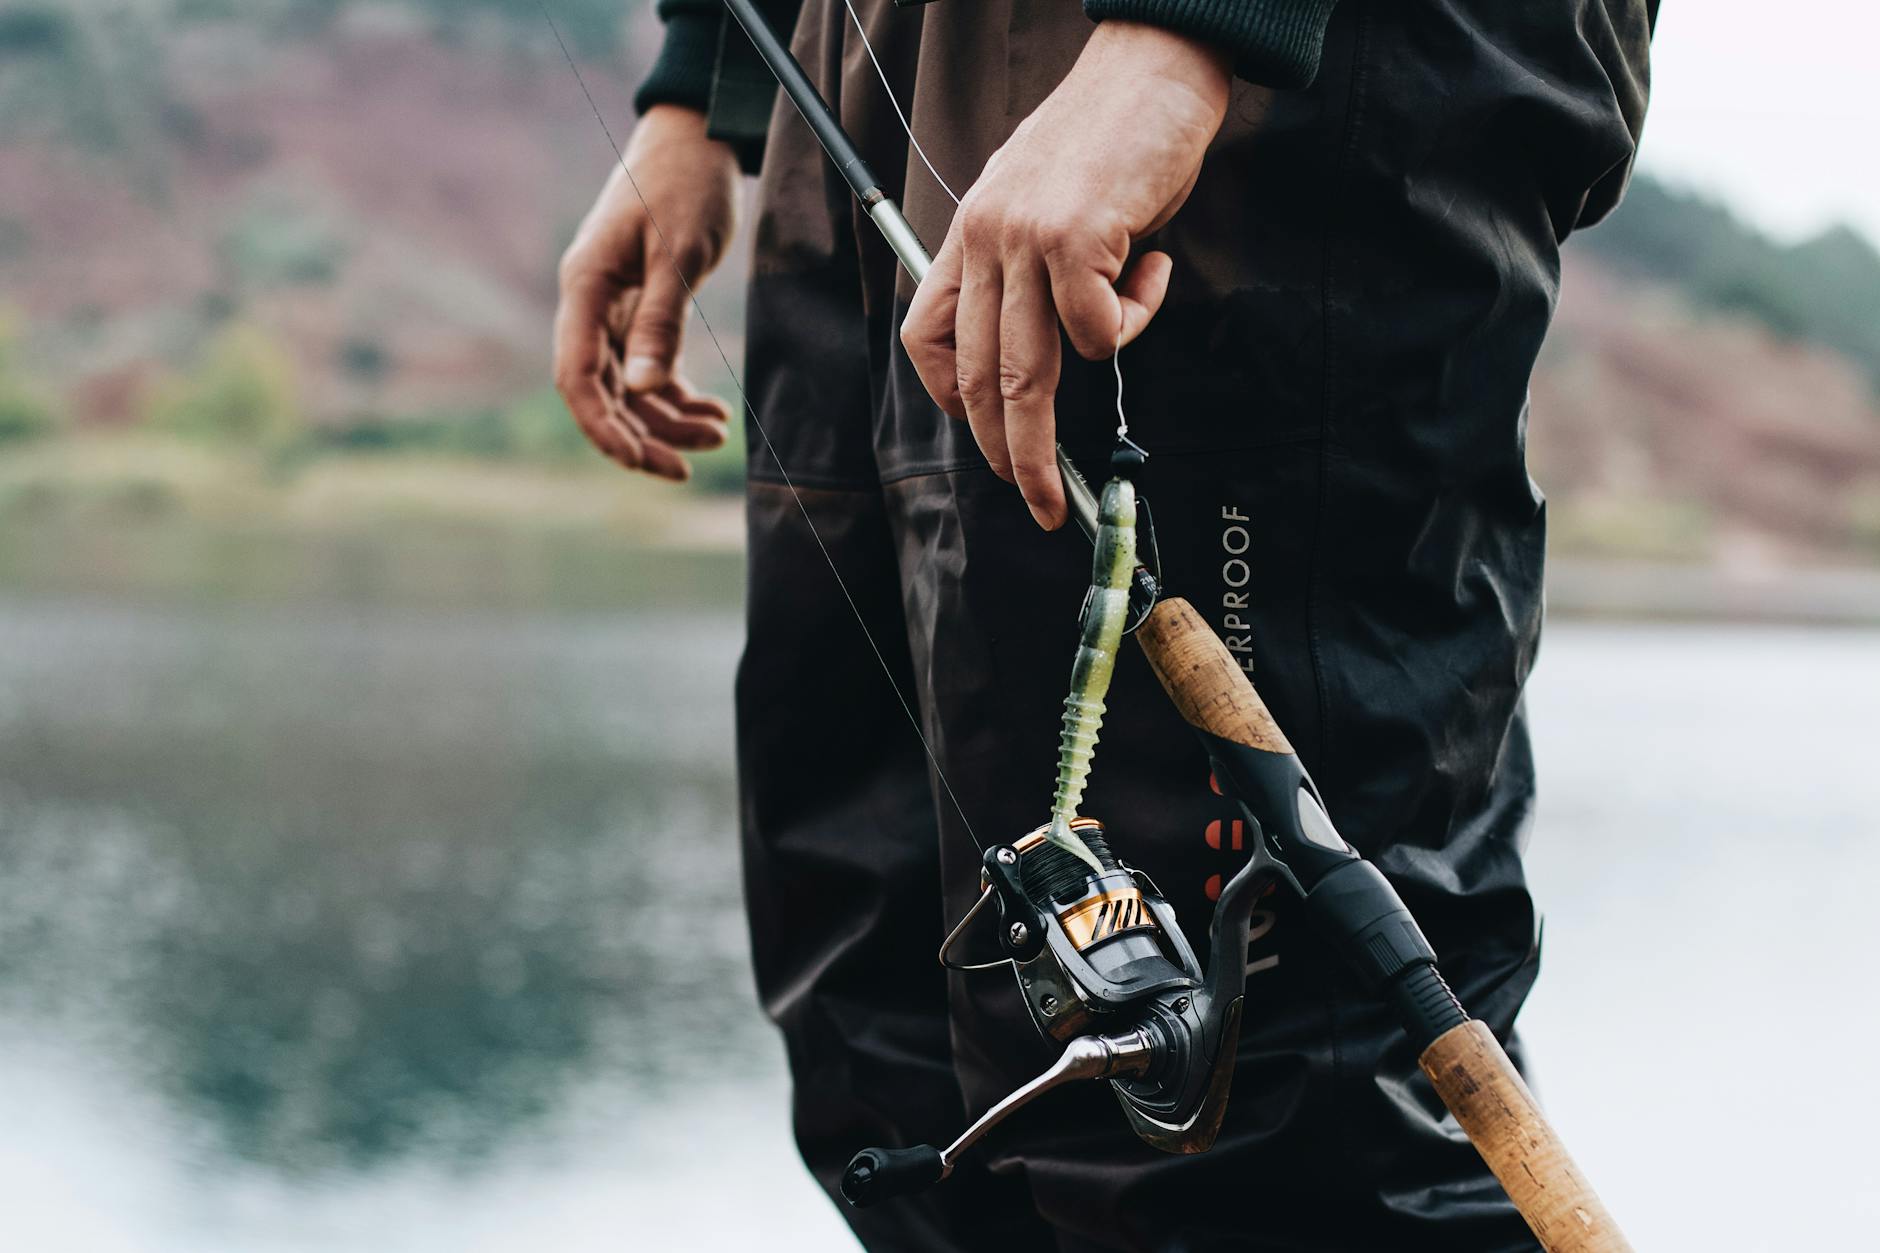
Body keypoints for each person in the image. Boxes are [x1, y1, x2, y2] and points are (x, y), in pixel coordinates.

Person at [553, 1, 1656, 1247]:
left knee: (1247, 1119)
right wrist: (704, 81)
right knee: (885, 1034)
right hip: (856, 63)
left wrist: (1184, 37)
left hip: (1238, 75)